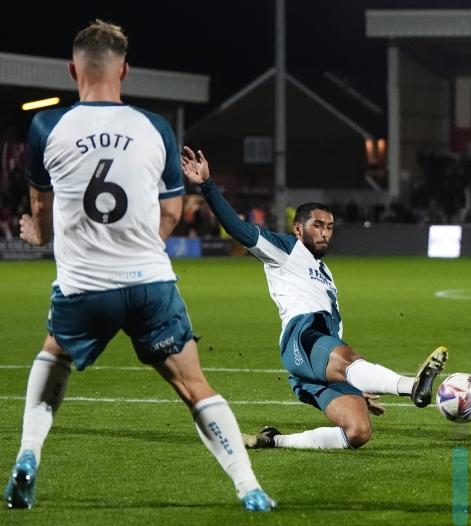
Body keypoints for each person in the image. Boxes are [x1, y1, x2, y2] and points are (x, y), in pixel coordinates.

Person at [3, 20, 274, 512]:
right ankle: (248, 485)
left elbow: (41, 217)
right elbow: (171, 213)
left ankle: (27, 453)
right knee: (194, 386)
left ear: (72, 70)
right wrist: (137, 252)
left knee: (54, 355)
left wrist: (36, 234)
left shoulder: (47, 127)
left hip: (85, 287)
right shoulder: (155, 127)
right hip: (151, 284)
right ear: (125, 70)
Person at [180, 147, 448, 451]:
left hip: (320, 357)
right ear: (298, 228)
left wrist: (358, 382)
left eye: (330, 227)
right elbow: (237, 229)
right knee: (349, 358)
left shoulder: (326, 272)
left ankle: (273, 440)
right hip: (304, 338)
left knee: (358, 432)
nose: (325, 233)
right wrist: (207, 185)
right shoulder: (285, 249)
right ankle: (413, 387)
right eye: (318, 225)